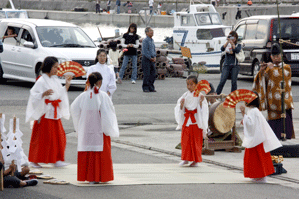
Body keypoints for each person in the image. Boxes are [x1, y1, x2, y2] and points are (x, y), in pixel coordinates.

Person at [71, 72, 119, 183]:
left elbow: (73, 108)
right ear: (100, 82)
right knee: (100, 150)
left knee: (88, 149)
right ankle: (100, 176)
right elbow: (109, 111)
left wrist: (80, 122)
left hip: (86, 127)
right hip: (99, 128)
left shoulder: (83, 95)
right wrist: (109, 126)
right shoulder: (103, 95)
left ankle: (89, 177)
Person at [25, 57, 72, 168]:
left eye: (57, 67)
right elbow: (33, 95)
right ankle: (34, 160)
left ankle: (57, 159)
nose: (57, 69)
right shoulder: (41, 80)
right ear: (49, 67)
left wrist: (67, 84)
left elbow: (60, 94)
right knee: (43, 138)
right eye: (55, 67)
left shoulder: (55, 80)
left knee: (59, 137)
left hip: (54, 111)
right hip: (45, 112)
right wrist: (42, 94)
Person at [253, 43, 294, 140]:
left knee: (285, 123)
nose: (276, 58)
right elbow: (262, 80)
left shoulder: (287, 67)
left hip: (284, 100)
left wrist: (271, 69)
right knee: (273, 129)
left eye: (278, 55)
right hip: (272, 101)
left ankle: (286, 137)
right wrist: (262, 71)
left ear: (281, 55)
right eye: (274, 56)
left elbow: (281, 79)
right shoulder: (269, 68)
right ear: (271, 57)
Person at [239, 93, 282, 183]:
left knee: (256, 158)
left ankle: (258, 176)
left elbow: (251, 125)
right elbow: (252, 123)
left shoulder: (253, 111)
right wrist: (245, 119)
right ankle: (258, 176)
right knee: (259, 158)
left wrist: (243, 114)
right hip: (258, 138)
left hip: (256, 139)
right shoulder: (254, 110)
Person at [174, 76, 209, 167]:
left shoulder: (200, 96)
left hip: (196, 121)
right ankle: (185, 158)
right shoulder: (185, 95)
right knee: (185, 141)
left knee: (195, 142)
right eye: (187, 84)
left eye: (191, 84)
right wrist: (181, 106)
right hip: (187, 120)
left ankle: (195, 160)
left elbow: (204, 109)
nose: (189, 86)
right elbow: (179, 107)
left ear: (196, 85)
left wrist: (201, 104)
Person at [216, 31, 242, 95]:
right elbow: (222, 48)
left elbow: (237, 50)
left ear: (236, 38)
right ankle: (216, 95)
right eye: (231, 37)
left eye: (234, 37)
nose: (232, 39)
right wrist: (227, 42)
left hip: (234, 65)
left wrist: (232, 43)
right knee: (222, 81)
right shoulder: (227, 44)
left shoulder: (238, 45)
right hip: (226, 65)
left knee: (234, 82)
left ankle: (233, 96)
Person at [142, 27, 156, 92]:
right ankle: (145, 87)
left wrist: (154, 56)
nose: (152, 32)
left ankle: (151, 86)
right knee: (147, 74)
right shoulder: (145, 40)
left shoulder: (152, 40)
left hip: (152, 59)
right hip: (146, 59)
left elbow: (153, 49)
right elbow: (145, 51)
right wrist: (150, 58)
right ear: (147, 33)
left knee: (153, 73)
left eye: (152, 31)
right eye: (150, 31)